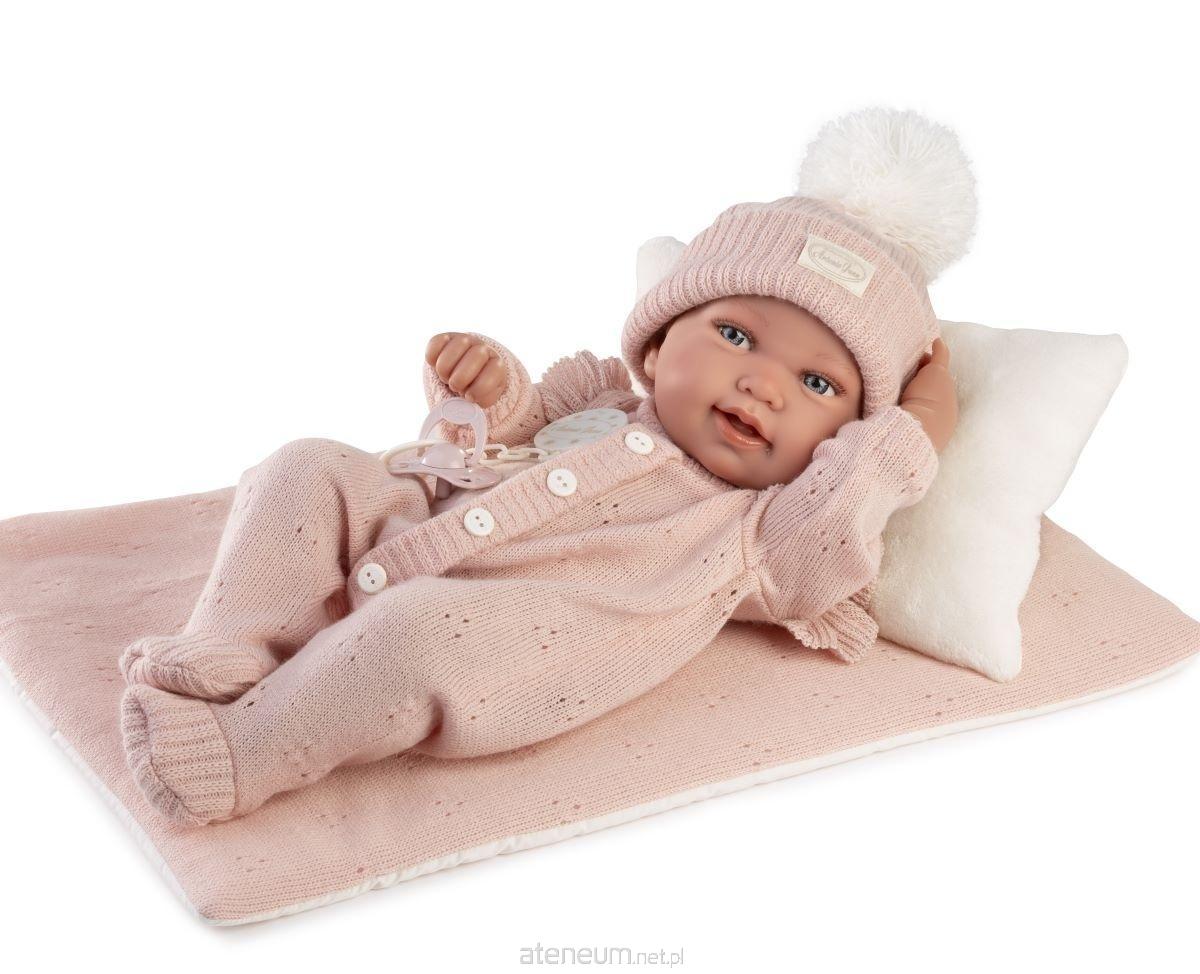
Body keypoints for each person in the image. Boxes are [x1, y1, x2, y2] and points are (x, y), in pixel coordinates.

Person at [118, 107, 969, 827]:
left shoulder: (760, 533)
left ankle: (241, 750)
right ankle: (227, 642)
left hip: (500, 640)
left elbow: (840, 521)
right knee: (305, 468)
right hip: (417, 526)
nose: (762, 384)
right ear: (658, 341)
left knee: (414, 635)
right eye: (735, 335)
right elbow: (507, 447)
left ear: (846, 438)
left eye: (818, 384)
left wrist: (916, 426)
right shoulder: (599, 401)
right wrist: (492, 395)